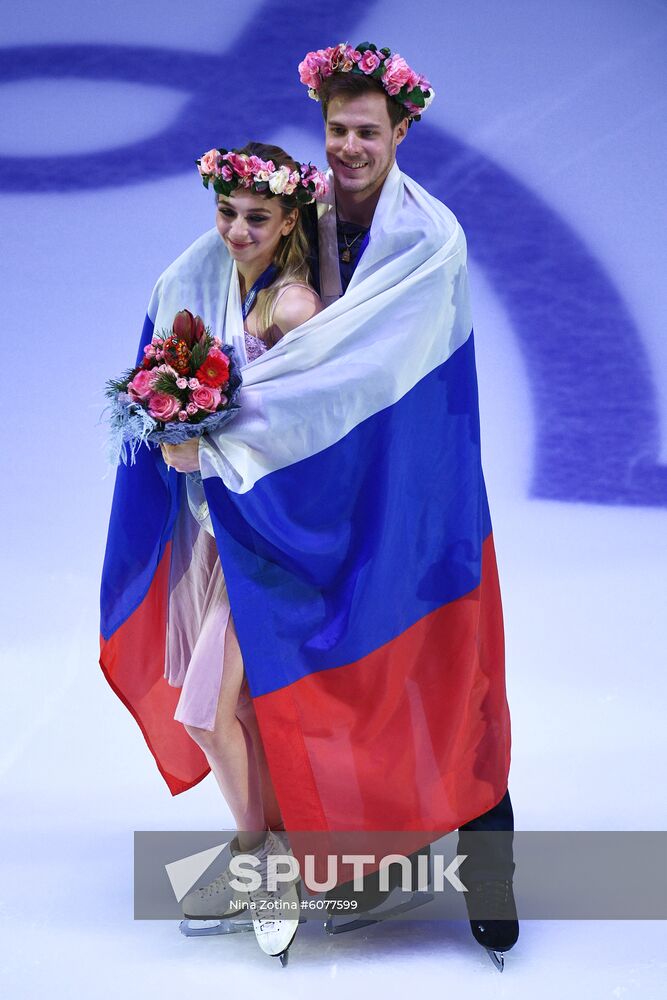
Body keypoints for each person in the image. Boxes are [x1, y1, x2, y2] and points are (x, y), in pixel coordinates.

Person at [297, 41, 518, 967]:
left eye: (367, 132)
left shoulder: (431, 238)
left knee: (451, 676)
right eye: (337, 130)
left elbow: (403, 374)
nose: (349, 147)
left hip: (421, 495)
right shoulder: (293, 212)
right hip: (318, 487)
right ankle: (344, 865)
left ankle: (490, 877)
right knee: (323, 671)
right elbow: (220, 293)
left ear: (401, 131)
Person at [100, 141, 326, 964]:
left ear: (290, 218)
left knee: (204, 709)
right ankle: (275, 852)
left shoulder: (294, 306)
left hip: (263, 538)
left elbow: (302, 431)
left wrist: (207, 442)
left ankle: (259, 855)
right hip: (212, 532)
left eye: (256, 217)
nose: (236, 230)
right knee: (234, 708)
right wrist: (169, 415)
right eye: (226, 213)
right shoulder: (204, 280)